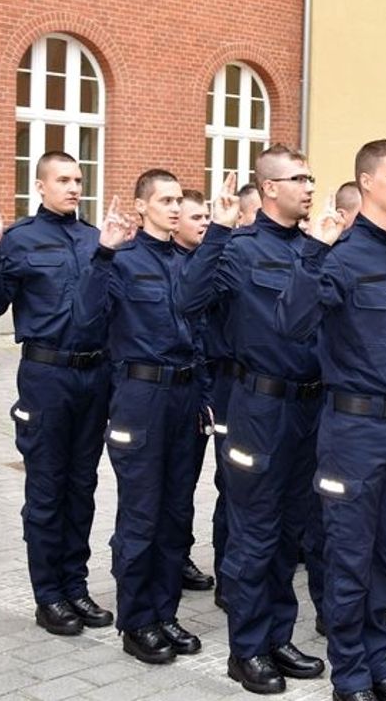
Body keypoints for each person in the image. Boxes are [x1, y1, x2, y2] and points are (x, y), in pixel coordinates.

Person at [276, 139, 386, 701]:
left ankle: (379, 664)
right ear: (366, 182)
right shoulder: (339, 256)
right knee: (349, 554)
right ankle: (350, 675)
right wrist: (313, 252)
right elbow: (290, 324)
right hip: (353, 431)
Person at [179, 149, 333, 694]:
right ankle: (247, 650)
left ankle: (278, 636)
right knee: (255, 532)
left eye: (311, 177)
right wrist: (218, 231)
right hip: (258, 407)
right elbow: (188, 299)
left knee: (291, 531)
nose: (310, 186)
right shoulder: (240, 248)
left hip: (310, 408)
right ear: (269, 189)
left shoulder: (315, 247)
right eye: (299, 179)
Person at [0, 151, 113, 637]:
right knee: (48, 488)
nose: (74, 187)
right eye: (64, 179)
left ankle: (76, 585)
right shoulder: (19, 240)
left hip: (94, 378)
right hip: (46, 376)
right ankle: (48, 594)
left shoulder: (96, 239)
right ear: (41, 186)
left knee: (83, 486)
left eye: (78, 179)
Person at [75, 169, 203, 664]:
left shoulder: (188, 263)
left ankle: (164, 610)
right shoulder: (120, 261)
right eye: (165, 200)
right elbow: (85, 321)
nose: (175, 208)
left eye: (178, 200)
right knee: (142, 514)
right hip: (141, 397)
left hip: (184, 396)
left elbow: (204, 334)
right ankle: (136, 620)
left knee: (176, 514)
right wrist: (103, 254)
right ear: (141, 206)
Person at [173, 190, 217, 595]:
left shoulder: (212, 264)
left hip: (201, 388)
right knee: (167, 485)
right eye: (196, 217)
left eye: (207, 216)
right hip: (161, 391)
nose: (204, 223)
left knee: (186, 481)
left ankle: (179, 555)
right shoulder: (167, 264)